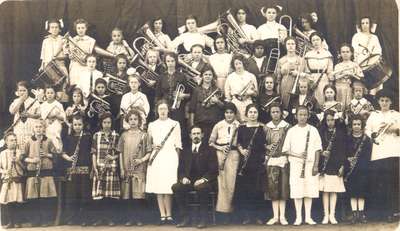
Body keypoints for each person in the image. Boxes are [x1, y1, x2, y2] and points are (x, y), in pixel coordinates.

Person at [282, 105, 322, 225]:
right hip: (296, 165)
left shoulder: (313, 130)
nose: (303, 117)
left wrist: (316, 165)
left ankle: (308, 217)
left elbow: (318, 149)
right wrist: (298, 155)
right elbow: (285, 150)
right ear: (296, 116)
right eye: (300, 114)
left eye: (305, 115)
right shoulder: (291, 130)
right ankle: (298, 217)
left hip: (309, 165)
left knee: (309, 190)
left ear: (308, 116)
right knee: (297, 190)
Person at [172, 126, 218, 228]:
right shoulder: (185, 150)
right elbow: (181, 169)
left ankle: (203, 219)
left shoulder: (209, 150)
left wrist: (203, 179)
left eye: (198, 133)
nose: (196, 136)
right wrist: (183, 178)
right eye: (194, 134)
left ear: (202, 135)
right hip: (189, 181)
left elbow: (214, 170)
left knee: (201, 187)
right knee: (176, 187)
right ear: (190, 136)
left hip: (205, 181)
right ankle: (185, 218)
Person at [365, 90, 400, 222]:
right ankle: (380, 213)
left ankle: (393, 212)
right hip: (378, 152)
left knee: (392, 183)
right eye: (382, 100)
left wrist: (394, 130)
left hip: (393, 152)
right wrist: (372, 136)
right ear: (378, 101)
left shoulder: (396, 115)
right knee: (380, 183)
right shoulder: (374, 115)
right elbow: (367, 130)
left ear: (391, 102)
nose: (384, 103)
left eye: (387, 100)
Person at [146, 100, 182, 225]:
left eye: (165, 108)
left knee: (169, 186)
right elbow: (148, 143)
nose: (162, 111)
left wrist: (176, 160)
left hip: (170, 157)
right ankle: (162, 215)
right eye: (160, 108)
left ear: (168, 110)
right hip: (157, 158)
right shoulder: (152, 125)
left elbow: (178, 144)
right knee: (159, 187)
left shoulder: (175, 124)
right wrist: (153, 146)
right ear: (157, 110)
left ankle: (169, 215)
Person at [208, 102, 240, 224]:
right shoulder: (218, 125)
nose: (229, 115)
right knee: (222, 184)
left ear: (235, 114)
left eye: (231, 113)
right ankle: (222, 212)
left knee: (232, 183)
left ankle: (231, 211)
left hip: (233, 154)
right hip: (220, 154)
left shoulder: (239, 125)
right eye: (227, 112)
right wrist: (220, 148)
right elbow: (210, 142)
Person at [118, 109, 151, 226]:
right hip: (127, 169)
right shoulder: (123, 135)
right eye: (130, 119)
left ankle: (139, 219)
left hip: (139, 169)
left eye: (135, 119)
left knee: (139, 196)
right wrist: (122, 168)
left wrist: (141, 160)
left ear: (139, 121)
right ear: (127, 121)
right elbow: (120, 152)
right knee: (128, 196)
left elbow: (149, 152)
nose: (133, 121)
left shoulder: (144, 135)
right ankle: (130, 219)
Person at [23, 120, 58, 227]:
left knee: (45, 198)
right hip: (33, 172)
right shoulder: (29, 141)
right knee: (33, 198)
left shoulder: (49, 141)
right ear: (33, 129)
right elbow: (23, 157)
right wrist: (32, 160)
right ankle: (35, 220)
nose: (38, 129)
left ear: (44, 129)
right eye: (36, 127)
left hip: (46, 172)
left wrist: (47, 154)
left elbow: (55, 156)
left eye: (40, 127)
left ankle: (46, 220)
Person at [235, 104, 266, 225]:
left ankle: (258, 216)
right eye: (251, 112)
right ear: (246, 114)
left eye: (255, 112)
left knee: (257, 189)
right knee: (246, 190)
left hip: (258, 160)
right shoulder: (242, 128)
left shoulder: (262, 127)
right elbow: (238, 143)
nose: (253, 114)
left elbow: (265, 144)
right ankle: (247, 216)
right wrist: (242, 150)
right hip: (245, 161)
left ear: (258, 114)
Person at [61, 115, 92, 226]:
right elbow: (63, 153)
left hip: (84, 169)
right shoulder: (68, 138)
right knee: (72, 195)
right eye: (75, 124)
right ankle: (72, 218)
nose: (77, 127)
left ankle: (84, 219)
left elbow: (91, 153)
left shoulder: (88, 137)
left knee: (84, 195)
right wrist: (69, 158)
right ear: (72, 125)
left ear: (83, 125)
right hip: (72, 170)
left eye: (79, 124)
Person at [91, 112, 120, 226]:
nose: (107, 125)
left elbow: (119, 153)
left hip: (111, 169)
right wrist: (95, 168)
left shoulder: (116, 136)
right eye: (104, 122)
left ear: (112, 123)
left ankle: (110, 219)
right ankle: (99, 218)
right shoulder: (96, 135)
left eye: (109, 122)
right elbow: (93, 153)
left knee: (110, 196)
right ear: (101, 123)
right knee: (99, 196)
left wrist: (113, 157)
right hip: (99, 168)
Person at [263, 103, 290, 225]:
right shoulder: (266, 127)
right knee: (273, 188)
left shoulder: (287, 127)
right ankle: (275, 216)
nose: (275, 114)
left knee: (283, 187)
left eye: (277, 112)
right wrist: (267, 146)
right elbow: (262, 143)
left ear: (281, 113)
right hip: (271, 159)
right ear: (270, 113)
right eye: (273, 112)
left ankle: (283, 216)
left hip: (283, 159)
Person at [318, 110, 346, 224]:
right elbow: (316, 147)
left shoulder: (340, 133)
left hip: (336, 164)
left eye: (332, 120)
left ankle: (332, 215)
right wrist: (321, 152)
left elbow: (344, 151)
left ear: (335, 120)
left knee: (334, 190)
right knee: (325, 190)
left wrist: (343, 166)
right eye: (327, 120)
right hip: (325, 165)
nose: (330, 122)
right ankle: (325, 215)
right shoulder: (321, 132)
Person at [344, 115, 372, 224]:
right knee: (352, 192)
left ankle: (361, 213)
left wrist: (360, 161)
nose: (356, 126)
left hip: (362, 169)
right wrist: (348, 159)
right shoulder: (347, 138)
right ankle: (354, 214)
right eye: (354, 124)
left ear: (362, 125)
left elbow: (368, 154)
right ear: (351, 125)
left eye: (358, 124)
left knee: (361, 192)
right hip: (351, 169)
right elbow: (345, 152)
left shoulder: (367, 139)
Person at [155, 52, 190, 139]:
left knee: (178, 130)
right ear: (165, 62)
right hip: (164, 108)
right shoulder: (161, 77)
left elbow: (190, 94)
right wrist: (158, 108)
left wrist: (183, 95)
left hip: (178, 108)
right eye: (168, 61)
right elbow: (158, 95)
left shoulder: (182, 76)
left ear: (176, 62)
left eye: (172, 61)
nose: (170, 63)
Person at [189, 67, 224, 142]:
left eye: (210, 75)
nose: (208, 76)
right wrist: (192, 124)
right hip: (200, 122)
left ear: (212, 77)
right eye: (205, 74)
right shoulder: (197, 90)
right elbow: (192, 108)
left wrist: (217, 101)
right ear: (202, 76)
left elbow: (223, 107)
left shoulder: (217, 89)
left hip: (213, 122)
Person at [39, 19, 69, 103]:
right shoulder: (45, 41)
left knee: (61, 92)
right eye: (52, 27)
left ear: (59, 29)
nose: (54, 29)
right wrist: (42, 66)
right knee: (49, 91)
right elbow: (43, 56)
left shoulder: (63, 40)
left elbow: (67, 56)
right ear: (49, 29)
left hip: (60, 68)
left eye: (56, 27)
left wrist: (57, 58)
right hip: (48, 68)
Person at [0, 133, 24, 229]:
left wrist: (17, 161)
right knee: (8, 201)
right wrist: (5, 171)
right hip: (7, 180)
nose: (14, 142)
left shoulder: (20, 152)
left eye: (15, 140)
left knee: (17, 201)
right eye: (11, 140)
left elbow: (24, 168)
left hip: (17, 179)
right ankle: (10, 222)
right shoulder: (2, 154)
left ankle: (18, 222)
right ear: (6, 142)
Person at [224, 54, 258, 122]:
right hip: (235, 102)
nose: (238, 66)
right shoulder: (230, 77)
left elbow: (256, 93)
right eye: (236, 64)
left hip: (248, 102)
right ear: (233, 65)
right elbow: (227, 95)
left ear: (243, 64)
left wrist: (251, 93)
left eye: (240, 63)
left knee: (248, 122)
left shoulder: (251, 76)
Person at [304, 32, 333, 105]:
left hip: (324, 79)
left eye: (317, 39)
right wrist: (310, 82)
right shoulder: (308, 55)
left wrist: (330, 84)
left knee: (323, 99)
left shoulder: (327, 54)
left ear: (321, 41)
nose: (315, 42)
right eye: (313, 40)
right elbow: (306, 71)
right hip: (312, 80)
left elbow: (330, 71)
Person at [9, 81, 40, 149]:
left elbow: (39, 115)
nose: (22, 92)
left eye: (24, 90)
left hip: (30, 128)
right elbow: (12, 112)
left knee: (30, 148)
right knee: (19, 149)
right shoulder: (15, 101)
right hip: (18, 128)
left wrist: (30, 115)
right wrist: (20, 101)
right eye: (20, 90)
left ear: (28, 91)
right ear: (17, 91)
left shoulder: (34, 101)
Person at [276, 37, 306, 109]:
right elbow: (278, 78)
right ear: (285, 46)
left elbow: (306, 75)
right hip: (285, 86)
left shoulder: (301, 60)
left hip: (299, 86)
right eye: (288, 44)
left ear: (296, 46)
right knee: (285, 107)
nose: (290, 46)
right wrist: (278, 91)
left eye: (293, 44)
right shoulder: (281, 60)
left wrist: (298, 74)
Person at [39, 85, 66, 153]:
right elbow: (41, 117)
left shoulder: (58, 105)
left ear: (55, 94)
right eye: (48, 93)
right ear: (45, 94)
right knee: (47, 143)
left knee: (56, 143)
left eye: (52, 93)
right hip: (47, 126)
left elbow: (63, 117)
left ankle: (57, 156)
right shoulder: (43, 105)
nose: (50, 95)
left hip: (56, 126)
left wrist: (56, 115)